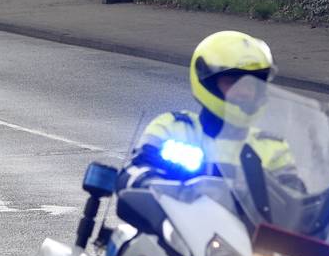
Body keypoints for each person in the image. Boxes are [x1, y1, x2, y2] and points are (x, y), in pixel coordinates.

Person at [120, 30, 286, 188]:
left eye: (252, 84)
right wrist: (147, 183)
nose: (244, 91)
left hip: (247, 219)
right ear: (208, 83)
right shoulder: (174, 128)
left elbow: (298, 201)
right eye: (233, 82)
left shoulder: (271, 147)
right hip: (180, 217)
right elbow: (133, 171)